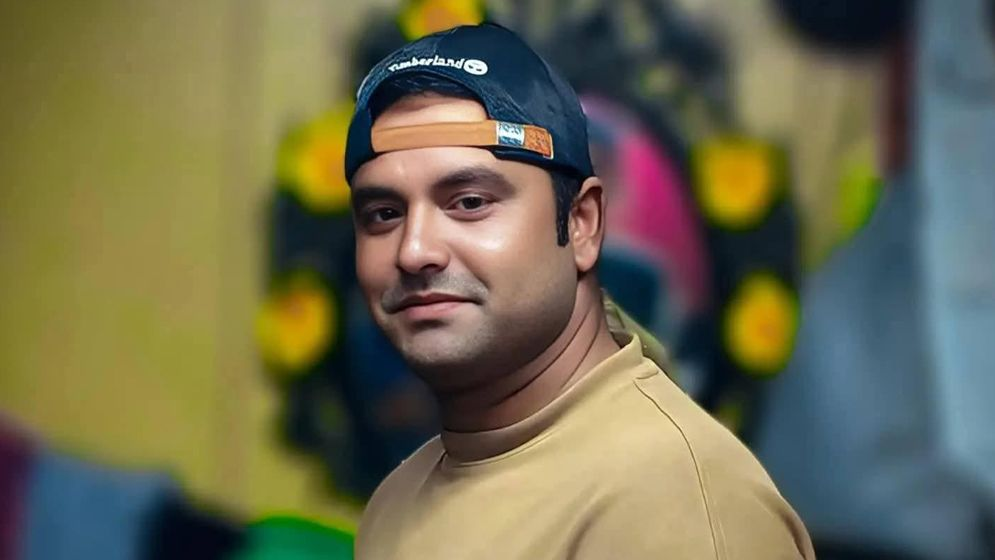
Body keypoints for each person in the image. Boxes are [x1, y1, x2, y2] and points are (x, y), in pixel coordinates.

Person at [343, 22, 815, 559]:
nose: (413, 250)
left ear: (582, 224)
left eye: (470, 202)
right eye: (383, 214)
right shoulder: (398, 500)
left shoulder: (672, 503)